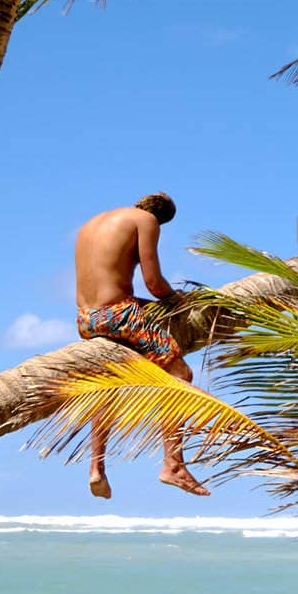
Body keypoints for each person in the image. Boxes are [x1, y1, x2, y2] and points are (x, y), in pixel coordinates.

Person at [74, 192, 209, 498]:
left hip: (86, 318)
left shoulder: (93, 223)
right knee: (180, 375)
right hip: (120, 315)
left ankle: (96, 469)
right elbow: (154, 283)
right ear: (161, 217)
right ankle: (173, 465)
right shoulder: (146, 221)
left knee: (108, 385)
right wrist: (179, 300)